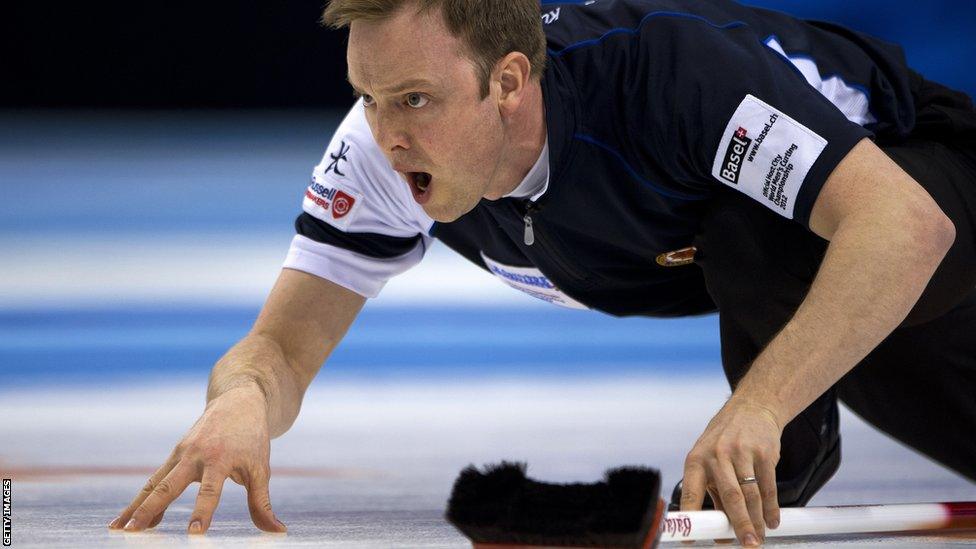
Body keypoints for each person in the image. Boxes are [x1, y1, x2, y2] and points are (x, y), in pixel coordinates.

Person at [109, 0, 976, 545]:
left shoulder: (666, 82)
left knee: (756, 234)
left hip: (921, 174)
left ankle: (752, 488)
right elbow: (279, 349)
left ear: (510, 82)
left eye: (412, 98)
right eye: (367, 99)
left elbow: (905, 224)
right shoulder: (379, 153)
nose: (385, 134)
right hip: (799, 282)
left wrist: (760, 404)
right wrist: (241, 401)